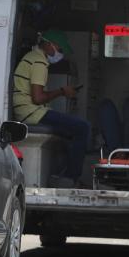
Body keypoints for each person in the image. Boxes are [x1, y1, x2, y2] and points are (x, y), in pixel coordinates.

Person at [11, 30, 89, 188]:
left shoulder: (32, 58)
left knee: (71, 132)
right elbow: (38, 98)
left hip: (28, 111)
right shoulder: (39, 62)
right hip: (31, 112)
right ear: (48, 44)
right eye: (59, 49)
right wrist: (62, 91)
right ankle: (71, 179)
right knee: (82, 127)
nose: (60, 54)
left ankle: (60, 176)